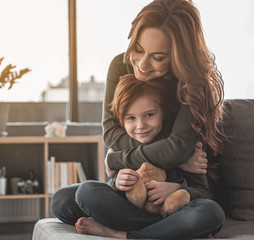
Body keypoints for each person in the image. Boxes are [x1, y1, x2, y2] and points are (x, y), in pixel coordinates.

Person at [52, 0, 225, 238]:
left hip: (175, 198)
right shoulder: (120, 66)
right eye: (139, 49)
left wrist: (115, 159)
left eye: (158, 57)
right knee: (66, 199)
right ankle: (165, 231)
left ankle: (124, 234)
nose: (142, 65)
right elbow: (112, 132)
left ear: (178, 57)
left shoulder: (193, 86)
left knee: (209, 214)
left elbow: (179, 148)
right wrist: (173, 158)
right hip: (132, 197)